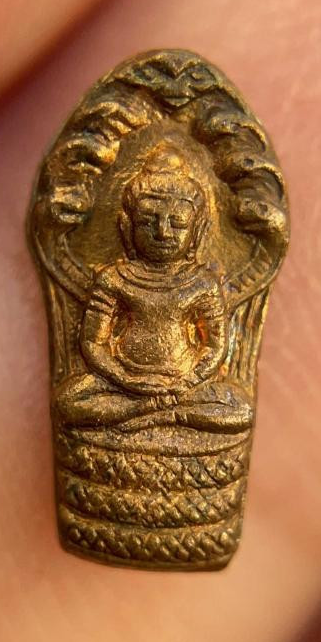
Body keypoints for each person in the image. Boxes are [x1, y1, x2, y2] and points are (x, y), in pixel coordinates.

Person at [54, 139, 252, 433]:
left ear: (197, 231)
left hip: (184, 386)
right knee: (68, 401)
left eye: (178, 223)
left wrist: (188, 380)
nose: (162, 232)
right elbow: (92, 343)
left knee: (241, 408)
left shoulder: (202, 283)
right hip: (124, 383)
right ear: (127, 226)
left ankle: (162, 415)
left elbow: (214, 346)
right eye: (148, 221)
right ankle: (148, 410)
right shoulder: (114, 279)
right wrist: (126, 378)